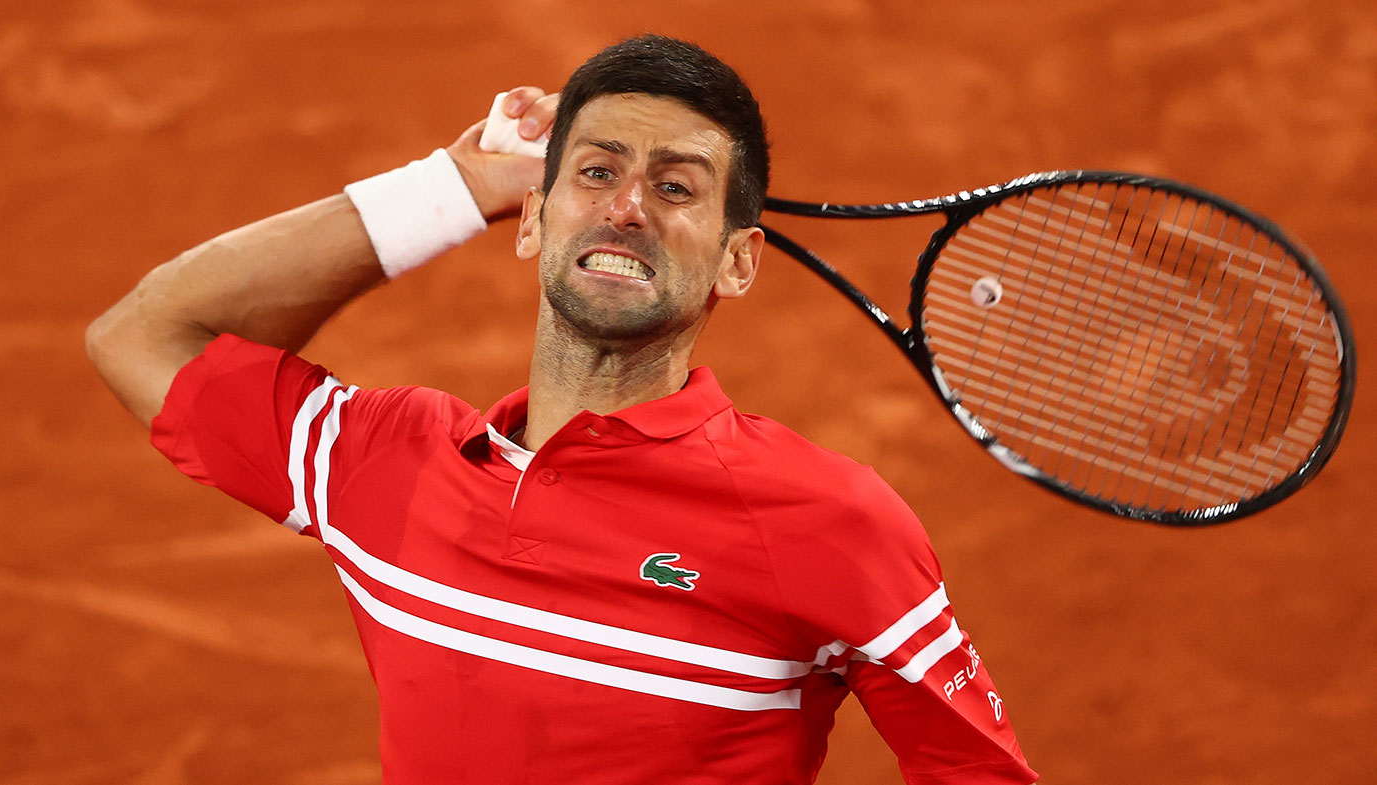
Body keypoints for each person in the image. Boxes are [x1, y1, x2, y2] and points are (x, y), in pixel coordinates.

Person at [86, 34, 1038, 785]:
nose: (626, 206)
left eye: (675, 187)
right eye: (595, 172)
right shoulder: (387, 462)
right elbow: (143, 333)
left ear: (737, 261)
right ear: (535, 217)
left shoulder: (830, 522)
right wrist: (451, 189)